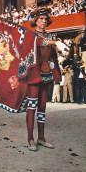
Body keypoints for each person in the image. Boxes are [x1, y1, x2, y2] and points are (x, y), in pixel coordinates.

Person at [19, 8, 69, 151]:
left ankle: (41, 138)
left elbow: (49, 49)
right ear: (35, 20)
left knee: (42, 107)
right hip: (34, 74)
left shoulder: (49, 35)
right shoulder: (30, 34)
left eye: (45, 19)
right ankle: (30, 140)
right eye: (41, 19)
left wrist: (59, 50)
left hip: (46, 74)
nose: (44, 21)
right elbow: (41, 42)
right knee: (32, 106)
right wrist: (55, 43)